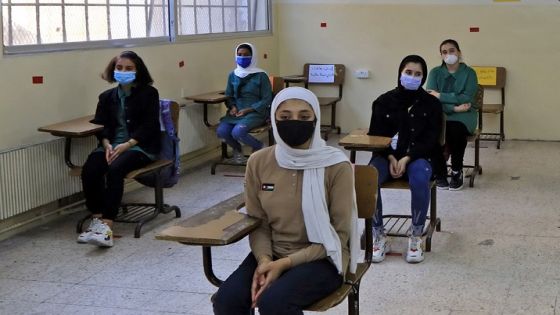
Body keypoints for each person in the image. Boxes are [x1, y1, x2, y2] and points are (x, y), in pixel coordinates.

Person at [212, 87, 359, 315]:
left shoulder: (335, 165)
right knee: (227, 301)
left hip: (324, 257)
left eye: (304, 117)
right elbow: (257, 222)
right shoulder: (259, 161)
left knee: (274, 303)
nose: (294, 122)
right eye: (285, 117)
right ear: (274, 119)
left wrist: (283, 265)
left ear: (315, 120)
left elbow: (339, 236)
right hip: (271, 252)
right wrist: (264, 261)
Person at [77, 51, 160, 247]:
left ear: (138, 71)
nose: (123, 71)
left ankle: (107, 225)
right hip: (111, 146)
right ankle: (97, 220)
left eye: (129, 68)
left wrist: (126, 145)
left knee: (115, 170)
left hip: (139, 147)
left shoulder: (149, 93)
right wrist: (106, 144)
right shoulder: (106, 97)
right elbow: (101, 126)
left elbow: (149, 126)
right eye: (119, 68)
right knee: (91, 169)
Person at [367, 55, 442, 263]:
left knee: (419, 178)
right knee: (368, 178)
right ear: (400, 73)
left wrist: (407, 158)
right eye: (408, 72)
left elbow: (431, 140)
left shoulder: (431, 104)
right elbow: (375, 135)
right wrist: (391, 157)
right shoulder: (383, 101)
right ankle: (378, 234)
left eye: (418, 74)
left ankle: (416, 234)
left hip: (418, 156)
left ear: (423, 77)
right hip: (386, 155)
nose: (412, 77)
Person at [427, 39, 479, 190]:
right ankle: (439, 171)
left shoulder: (469, 73)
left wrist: (440, 96)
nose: (448, 54)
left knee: (454, 129)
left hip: (466, 114)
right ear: (441, 55)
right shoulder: (435, 72)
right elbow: (431, 98)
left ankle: (457, 170)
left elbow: (467, 98)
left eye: (452, 50)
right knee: (432, 129)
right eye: (444, 52)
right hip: (444, 113)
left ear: (459, 52)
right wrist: (454, 108)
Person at [216, 42, 273, 164]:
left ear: (253, 57)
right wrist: (232, 107)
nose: (242, 57)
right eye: (239, 54)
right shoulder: (232, 75)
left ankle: (259, 146)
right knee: (222, 131)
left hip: (255, 112)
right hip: (236, 113)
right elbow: (229, 95)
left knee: (238, 132)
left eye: (246, 55)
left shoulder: (261, 75)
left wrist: (249, 109)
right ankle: (237, 149)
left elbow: (267, 98)